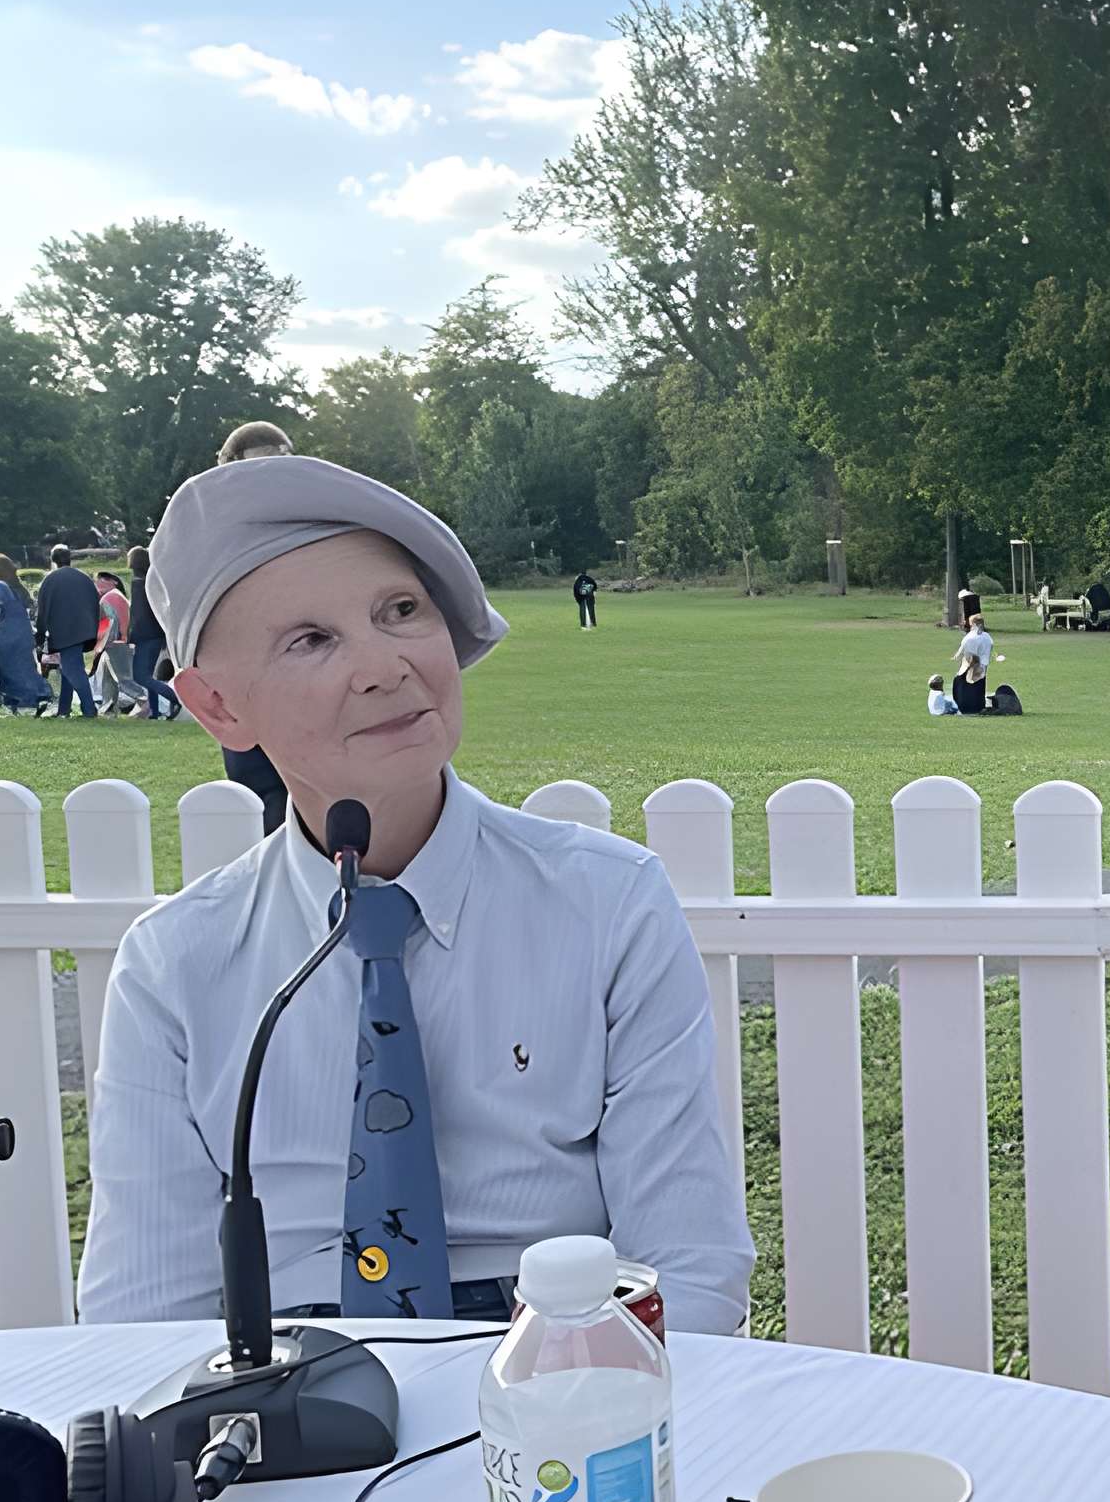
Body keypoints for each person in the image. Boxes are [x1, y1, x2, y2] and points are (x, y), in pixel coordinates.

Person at [75, 450, 751, 1334]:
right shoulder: (177, 963)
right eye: (311, 640)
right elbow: (143, 1310)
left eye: (401, 613)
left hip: (564, 1367)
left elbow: (689, 1261)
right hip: (289, 1393)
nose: (385, 666)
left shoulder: (609, 904)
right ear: (216, 709)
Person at [207, 422, 297, 833]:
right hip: (243, 673)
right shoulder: (210, 531)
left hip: (296, 670)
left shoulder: (309, 523)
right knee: (262, 795)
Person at [35, 542, 103, 718]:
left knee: (73, 670)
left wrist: (40, 636)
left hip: (64, 631)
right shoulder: (84, 578)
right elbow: (96, 603)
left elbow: (42, 611)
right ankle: (64, 709)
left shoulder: (50, 580)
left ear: (53, 560)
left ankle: (89, 709)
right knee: (69, 668)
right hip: (85, 629)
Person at [0, 554, 52, 715]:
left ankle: (16, 703)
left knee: (6, 669)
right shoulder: (19, 588)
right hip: (24, 633)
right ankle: (39, 695)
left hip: (6, 633)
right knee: (25, 667)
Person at [125, 542, 181, 721]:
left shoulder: (137, 584)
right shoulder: (152, 582)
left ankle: (176, 698)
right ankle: (155, 712)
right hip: (156, 635)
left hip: (145, 636)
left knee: (141, 676)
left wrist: (131, 635)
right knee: (151, 676)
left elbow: (138, 615)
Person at [95, 567, 139, 712]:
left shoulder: (111, 597)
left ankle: (146, 700)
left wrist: (120, 638)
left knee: (123, 681)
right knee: (109, 679)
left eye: (102, 579)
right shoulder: (114, 596)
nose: (98, 583)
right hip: (114, 643)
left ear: (113, 582)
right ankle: (108, 708)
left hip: (114, 643)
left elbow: (110, 623)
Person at [950, 609, 992, 714]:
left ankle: (965, 705)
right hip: (983, 664)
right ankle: (978, 706)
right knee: (979, 685)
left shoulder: (970, 637)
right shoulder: (987, 636)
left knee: (965, 684)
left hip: (971, 662)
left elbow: (965, 650)